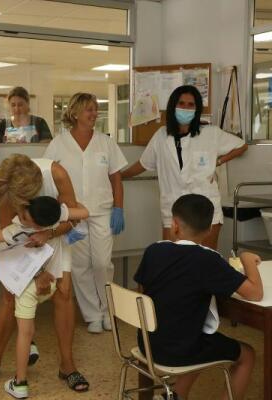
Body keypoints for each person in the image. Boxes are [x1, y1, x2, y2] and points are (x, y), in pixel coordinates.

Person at [134, 194, 263, 400]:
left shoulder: (153, 250)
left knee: (194, 334)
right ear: (210, 229)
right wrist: (247, 259)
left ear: (174, 225)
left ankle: (174, 396)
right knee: (247, 354)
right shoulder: (209, 260)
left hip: (147, 343)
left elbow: (141, 291)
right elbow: (255, 293)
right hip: (182, 349)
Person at [0, 154, 90, 394]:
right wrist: (37, 272)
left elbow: (74, 219)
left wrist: (47, 235)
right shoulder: (5, 183)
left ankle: (67, 365)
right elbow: (7, 235)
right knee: (10, 297)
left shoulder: (56, 174)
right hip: (16, 237)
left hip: (53, 233)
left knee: (63, 292)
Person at [121, 85, 247, 250]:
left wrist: (219, 162)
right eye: (181, 103)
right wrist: (120, 175)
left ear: (197, 109)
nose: (185, 108)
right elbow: (143, 164)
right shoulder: (161, 136)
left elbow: (242, 146)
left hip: (205, 207)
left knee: (205, 260)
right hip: (173, 208)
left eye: (190, 105)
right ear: (173, 106)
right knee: (173, 260)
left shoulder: (210, 133)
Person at [44, 92, 127, 334]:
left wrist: (119, 207)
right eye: (88, 109)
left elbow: (116, 178)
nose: (94, 114)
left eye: (95, 109)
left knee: (102, 263)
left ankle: (108, 311)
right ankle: (92, 314)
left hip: (102, 211)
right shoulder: (59, 143)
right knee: (80, 265)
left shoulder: (106, 142)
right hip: (72, 214)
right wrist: (60, 213)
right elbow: (49, 179)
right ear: (75, 113)